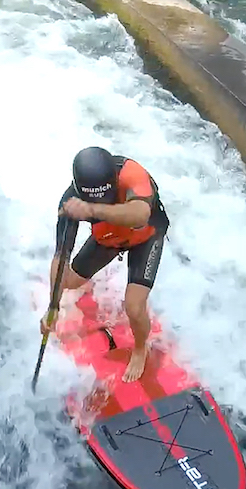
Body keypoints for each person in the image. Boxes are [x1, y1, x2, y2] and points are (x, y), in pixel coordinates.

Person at [39, 146, 170, 383]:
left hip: (146, 238)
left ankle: (141, 349)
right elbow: (61, 257)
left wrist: (92, 209)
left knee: (134, 306)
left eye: (106, 198)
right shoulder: (70, 202)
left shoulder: (132, 174)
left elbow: (140, 214)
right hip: (109, 239)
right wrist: (53, 306)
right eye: (91, 200)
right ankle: (85, 283)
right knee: (67, 282)